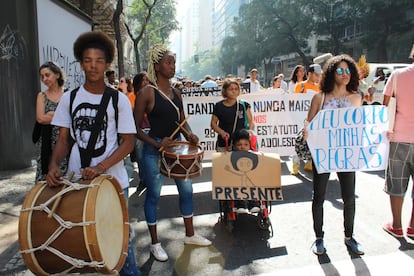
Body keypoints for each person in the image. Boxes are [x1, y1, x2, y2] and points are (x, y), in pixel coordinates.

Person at [46, 31, 141, 276]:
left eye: (99, 61)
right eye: (88, 60)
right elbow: (64, 140)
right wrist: (54, 164)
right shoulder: (70, 98)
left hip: (113, 182)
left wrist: (100, 167)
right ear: (81, 63)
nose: (93, 66)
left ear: (107, 63)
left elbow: (128, 143)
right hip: (78, 182)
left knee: (121, 242)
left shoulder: (118, 99)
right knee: (83, 240)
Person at [133, 44, 211, 262]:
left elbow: (182, 122)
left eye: (174, 62)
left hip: (176, 145)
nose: (172, 66)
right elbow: (135, 129)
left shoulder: (177, 92)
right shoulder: (146, 93)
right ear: (157, 66)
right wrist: (157, 143)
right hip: (153, 149)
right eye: (168, 62)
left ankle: (190, 234)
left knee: (186, 191)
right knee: (154, 195)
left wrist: (190, 135)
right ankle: (155, 244)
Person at [304, 54, 364, 256]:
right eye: (340, 70)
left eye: (348, 70)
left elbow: (360, 125)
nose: (345, 74)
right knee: (318, 196)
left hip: (346, 155)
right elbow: (309, 123)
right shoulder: (319, 98)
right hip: (323, 154)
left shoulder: (356, 97)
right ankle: (319, 237)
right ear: (331, 73)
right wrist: (307, 130)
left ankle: (349, 236)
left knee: (349, 197)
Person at [382, 47, 414, 239]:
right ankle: (412, 226)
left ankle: (397, 226)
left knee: (397, 183)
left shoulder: (397, 75)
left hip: (399, 137)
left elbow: (386, 106)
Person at [210, 78, 256, 213]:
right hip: (224, 144)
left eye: (236, 89)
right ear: (225, 91)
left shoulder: (243, 105)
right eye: (231, 89)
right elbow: (213, 124)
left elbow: (251, 123)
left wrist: (248, 136)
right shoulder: (219, 106)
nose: (234, 91)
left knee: (245, 171)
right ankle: (232, 199)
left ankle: (248, 200)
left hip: (241, 144)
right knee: (228, 172)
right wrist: (222, 132)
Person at [34, 61, 68, 182]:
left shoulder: (68, 94)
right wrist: (61, 116)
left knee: (66, 178)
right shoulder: (41, 96)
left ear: (57, 75)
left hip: (66, 142)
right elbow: (40, 118)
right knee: (46, 178)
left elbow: (70, 118)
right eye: (42, 76)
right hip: (47, 143)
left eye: (47, 75)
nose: (44, 79)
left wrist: (51, 115)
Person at [292, 64, 322, 174]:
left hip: (313, 119)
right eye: (316, 74)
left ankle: (309, 163)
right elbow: (295, 101)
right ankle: (295, 164)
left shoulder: (319, 87)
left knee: (311, 141)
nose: (318, 77)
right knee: (299, 140)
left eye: (319, 75)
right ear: (309, 73)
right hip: (301, 118)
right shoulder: (300, 86)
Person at [231, 128, 261, 213]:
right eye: (239, 145)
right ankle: (241, 205)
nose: (242, 147)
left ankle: (254, 204)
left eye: (245, 144)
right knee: (237, 187)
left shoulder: (253, 155)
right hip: (237, 180)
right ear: (234, 146)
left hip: (251, 180)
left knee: (253, 186)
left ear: (249, 145)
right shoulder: (230, 156)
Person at [132, 72, 150, 191]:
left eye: (147, 80)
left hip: (151, 131)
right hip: (138, 132)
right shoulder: (131, 97)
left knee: (149, 157)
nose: (146, 82)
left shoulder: (151, 94)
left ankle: (150, 180)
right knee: (140, 157)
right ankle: (143, 179)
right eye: (144, 80)